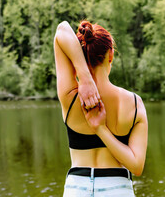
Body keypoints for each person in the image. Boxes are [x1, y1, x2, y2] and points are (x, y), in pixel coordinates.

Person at [54, 20, 148, 197]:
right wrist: (101, 129)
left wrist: (83, 75)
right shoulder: (134, 103)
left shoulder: (71, 97)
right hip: (118, 189)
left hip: (77, 189)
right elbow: (136, 166)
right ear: (110, 54)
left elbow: (62, 30)